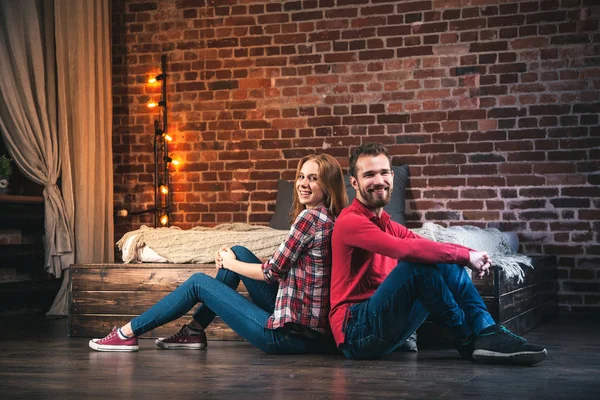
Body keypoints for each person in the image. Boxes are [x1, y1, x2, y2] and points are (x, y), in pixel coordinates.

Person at [90, 153, 347, 354]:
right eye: (301, 176)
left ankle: (126, 334)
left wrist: (229, 264)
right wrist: (233, 258)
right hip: (306, 327)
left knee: (198, 283)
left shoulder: (309, 219)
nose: (303, 183)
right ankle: (193, 331)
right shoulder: (330, 218)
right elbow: (283, 270)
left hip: (287, 336)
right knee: (238, 250)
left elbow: (270, 273)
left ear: (328, 185)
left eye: (313, 178)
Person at [329, 143, 547, 365]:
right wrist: (465, 257)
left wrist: (471, 254)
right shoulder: (350, 221)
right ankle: (469, 339)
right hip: (356, 333)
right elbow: (403, 249)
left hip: (384, 328)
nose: (379, 180)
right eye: (369, 175)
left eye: (384, 172)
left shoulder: (388, 224)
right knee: (416, 265)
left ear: (392, 176)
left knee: (438, 256)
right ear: (354, 182)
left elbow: (426, 245)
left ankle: (487, 330)